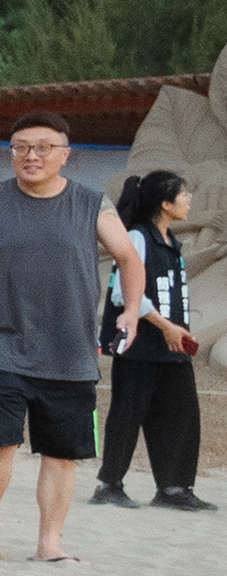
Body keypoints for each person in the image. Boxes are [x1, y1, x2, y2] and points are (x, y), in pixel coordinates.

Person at [0, 112, 142, 561]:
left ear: (65, 155)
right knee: (0, 441)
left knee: (61, 453)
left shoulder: (92, 204)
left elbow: (128, 257)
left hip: (70, 350)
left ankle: (49, 544)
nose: (31, 156)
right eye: (21, 147)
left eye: (43, 147)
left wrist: (130, 310)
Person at [95, 170, 205, 511]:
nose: (189, 200)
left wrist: (179, 329)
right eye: (184, 195)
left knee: (183, 414)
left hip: (171, 349)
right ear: (166, 204)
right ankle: (109, 485)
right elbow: (122, 294)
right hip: (139, 345)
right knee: (127, 413)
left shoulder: (171, 242)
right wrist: (165, 326)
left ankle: (173, 488)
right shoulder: (137, 238)